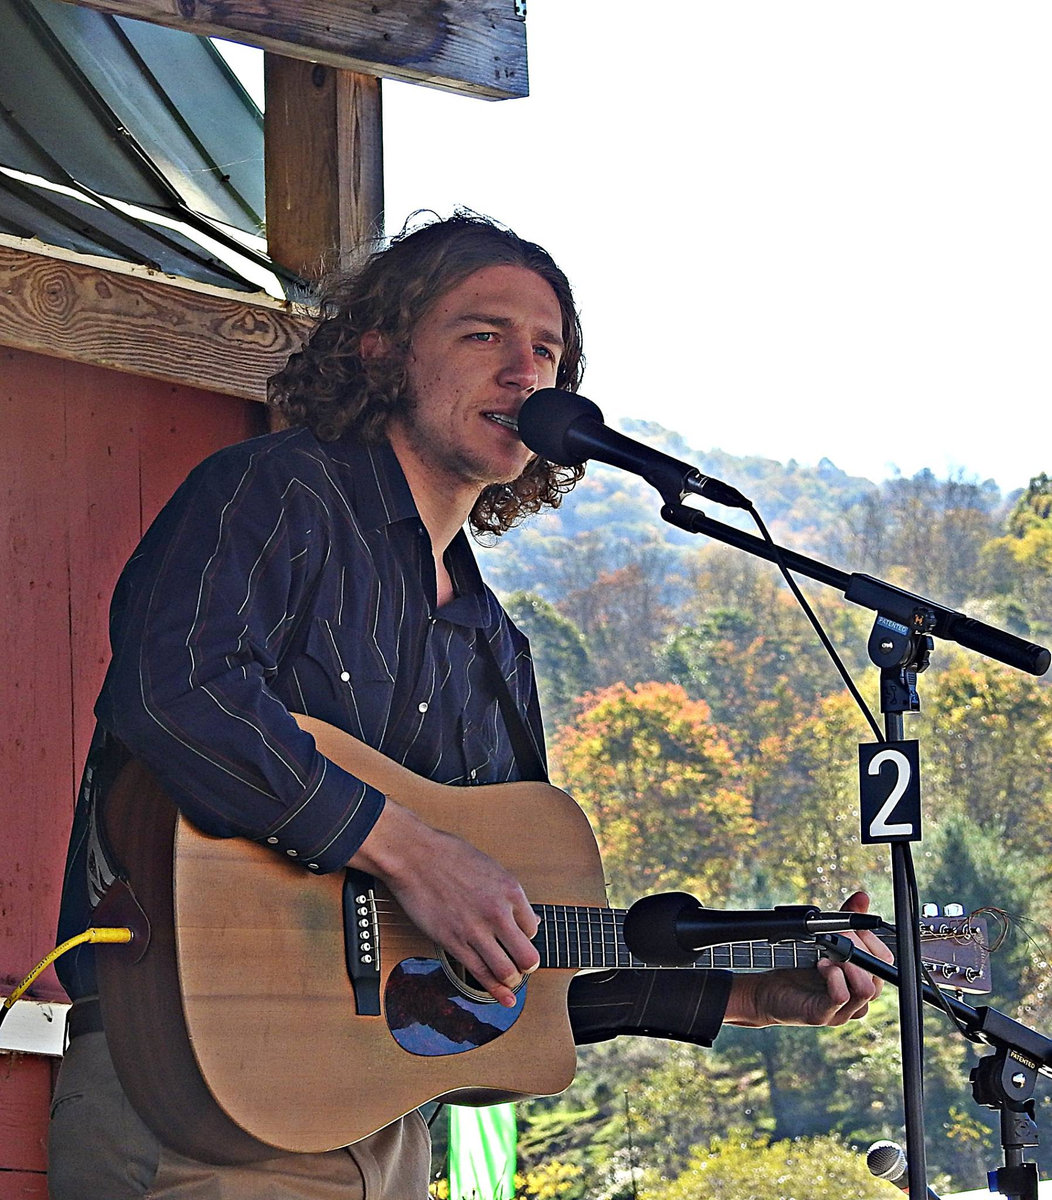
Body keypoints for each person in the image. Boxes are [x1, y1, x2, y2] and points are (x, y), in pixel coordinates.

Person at [49, 211, 891, 1199]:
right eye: (484, 333)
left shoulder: (495, 647)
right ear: (379, 348)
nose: (525, 372)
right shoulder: (276, 492)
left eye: (548, 352)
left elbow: (514, 967)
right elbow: (177, 691)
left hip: (389, 1131)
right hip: (191, 1108)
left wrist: (747, 992)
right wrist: (415, 853)